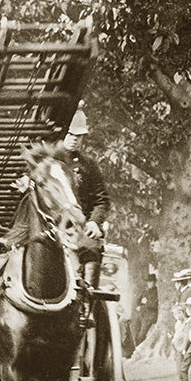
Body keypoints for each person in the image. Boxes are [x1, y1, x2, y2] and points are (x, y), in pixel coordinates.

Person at [61, 109, 111, 288]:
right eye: (70, 133)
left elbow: (101, 200)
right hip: (51, 225)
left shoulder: (88, 165)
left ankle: (87, 305)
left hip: (80, 228)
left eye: (79, 135)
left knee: (91, 248)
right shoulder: (48, 162)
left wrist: (94, 222)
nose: (74, 139)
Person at [170, 304, 191, 381]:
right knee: (179, 369)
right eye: (175, 314)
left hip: (184, 348)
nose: (177, 315)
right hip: (177, 348)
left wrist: (183, 347)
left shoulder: (187, 322)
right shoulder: (177, 324)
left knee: (185, 369)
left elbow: (186, 336)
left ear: (184, 313)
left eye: (179, 313)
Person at [132, 273, 158, 347]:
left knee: (141, 334)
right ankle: (135, 348)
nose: (149, 284)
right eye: (148, 282)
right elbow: (138, 300)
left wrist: (146, 303)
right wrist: (138, 305)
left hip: (150, 316)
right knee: (134, 330)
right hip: (142, 314)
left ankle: (140, 348)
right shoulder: (145, 291)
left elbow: (155, 304)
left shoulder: (156, 292)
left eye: (151, 282)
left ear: (154, 282)